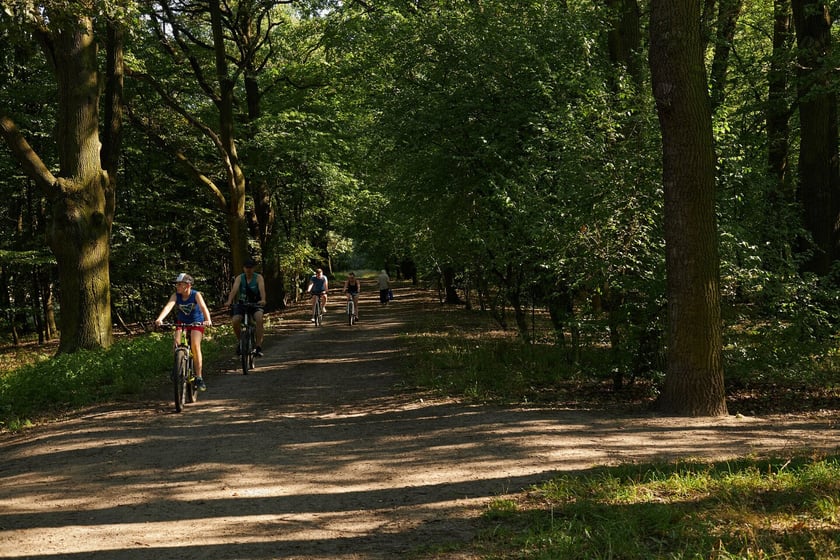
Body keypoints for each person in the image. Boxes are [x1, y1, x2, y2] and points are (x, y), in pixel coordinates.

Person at [154, 273, 212, 391]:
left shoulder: (196, 295)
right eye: (177, 284)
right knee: (176, 343)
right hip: (182, 322)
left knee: (195, 345)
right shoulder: (176, 296)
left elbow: (203, 307)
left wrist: (207, 320)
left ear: (188, 285)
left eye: (179, 284)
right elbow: (168, 307)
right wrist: (160, 318)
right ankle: (177, 367)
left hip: (197, 322)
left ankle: (199, 377)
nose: (177, 286)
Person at [225, 257, 266, 356]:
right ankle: (241, 342)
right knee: (235, 321)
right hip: (242, 303)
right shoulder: (240, 278)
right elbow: (234, 290)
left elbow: (262, 290)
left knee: (259, 319)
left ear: (254, 268)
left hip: (256, 304)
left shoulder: (258, 277)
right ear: (243, 268)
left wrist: (263, 299)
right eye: (247, 267)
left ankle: (258, 346)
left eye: (251, 267)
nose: (248, 269)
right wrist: (229, 301)